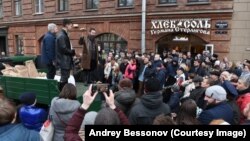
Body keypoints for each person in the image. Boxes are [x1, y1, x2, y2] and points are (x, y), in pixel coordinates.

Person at [56, 19, 75, 91]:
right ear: (66, 25)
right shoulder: (62, 35)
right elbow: (63, 49)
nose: (71, 27)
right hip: (64, 61)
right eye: (70, 25)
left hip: (65, 61)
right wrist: (72, 52)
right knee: (64, 79)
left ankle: (64, 94)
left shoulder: (64, 34)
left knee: (65, 78)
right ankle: (62, 95)